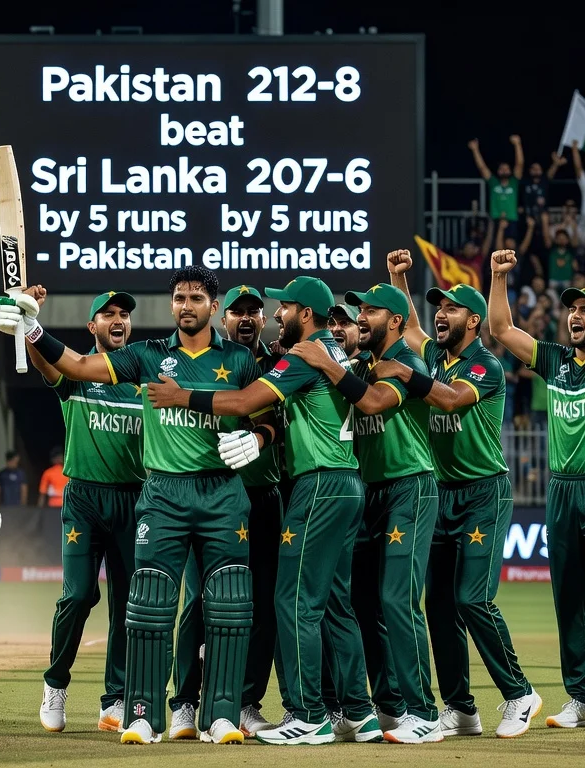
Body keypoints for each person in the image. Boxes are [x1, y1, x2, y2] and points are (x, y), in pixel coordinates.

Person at [0, 265, 269, 745]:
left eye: (197, 299)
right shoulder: (146, 356)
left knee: (228, 603)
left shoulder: (241, 360)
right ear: (172, 306)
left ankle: (222, 715)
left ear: (214, 305)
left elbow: (267, 410)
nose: (187, 306)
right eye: (180, 298)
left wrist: (261, 437)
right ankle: (142, 713)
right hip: (162, 492)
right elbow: (78, 367)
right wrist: (33, 328)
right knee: (147, 605)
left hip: (223, 492)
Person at [152, 276, 372, 746]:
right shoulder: (327, 354)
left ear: (305, 313)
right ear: (224, 314)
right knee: (332, 603)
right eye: (245, 310)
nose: (273, 315)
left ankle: (307, 713)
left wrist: (180, 396)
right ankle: (357, 712)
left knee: (291, 603)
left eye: (283, 307)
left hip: (311, 486)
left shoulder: (303, 354)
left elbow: (249, 402)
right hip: (334, 483)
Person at [378, 250, 543, 738]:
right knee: (440, 607)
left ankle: (519, 694)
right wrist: (396, 277)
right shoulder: (433, 355)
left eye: (450, 308)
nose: (439, 314)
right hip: (440, 494)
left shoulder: (483, 365)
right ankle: (461, 708)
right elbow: (405, 325)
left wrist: (406, 374)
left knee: (473, 599)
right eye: (438, 308)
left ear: (473, 320)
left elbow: (448, 399)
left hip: (482, 494)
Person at [490, 237, 585, 731]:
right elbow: (500, 328)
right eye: (571, 310)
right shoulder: (554, 360)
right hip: (561, 492)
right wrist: (498, 275)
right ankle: (581, 699)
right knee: (567, 597)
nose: (574, 316)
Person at [288, 281, 442, 743]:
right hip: (370, 493)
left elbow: (373, 402)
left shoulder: (405, 365)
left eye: (371, 311)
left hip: (409, 488)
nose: (361, 317)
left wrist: (325, 362)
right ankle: (389, 706)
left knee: (397, 599)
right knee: (363, 603)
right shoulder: (364, 363)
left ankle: (426, 713)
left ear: (395, 321)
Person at [172, 285, 288, 738]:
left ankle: (244, 703)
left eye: (253, 312)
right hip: (215, 497)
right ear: (222, 319)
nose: (245, 318)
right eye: (237, 311)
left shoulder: (282, 364)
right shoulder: (206, 359)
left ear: (263, 320)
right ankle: (184, 700)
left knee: (262, 608)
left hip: (264, 498)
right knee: (200, 601)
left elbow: (279, 420)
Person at [29, 290, 145, 733]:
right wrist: (27, 323)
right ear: (92, 326)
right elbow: (45, 362)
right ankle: (55, 684)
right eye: (109, 314)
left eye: (124, 315)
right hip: (84, 500)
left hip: (134, 499)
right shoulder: (77, 375)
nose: (119, 320)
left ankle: (114, 698)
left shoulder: (141, 379)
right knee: (77, 595)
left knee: (127, 604)